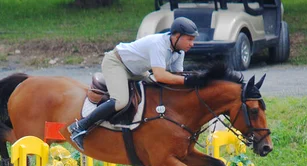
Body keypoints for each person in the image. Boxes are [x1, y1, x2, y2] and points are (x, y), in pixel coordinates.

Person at [67, 17, 204, 151]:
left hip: (136, 70)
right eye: (190, 39)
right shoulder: (159, 44)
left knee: (158, 88)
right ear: (177, 36)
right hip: (116, 63)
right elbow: (160, 75)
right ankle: (79, 127)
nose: (192, 44)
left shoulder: (179, 52)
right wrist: (187, 80)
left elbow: (176, 77)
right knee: (120, 101)